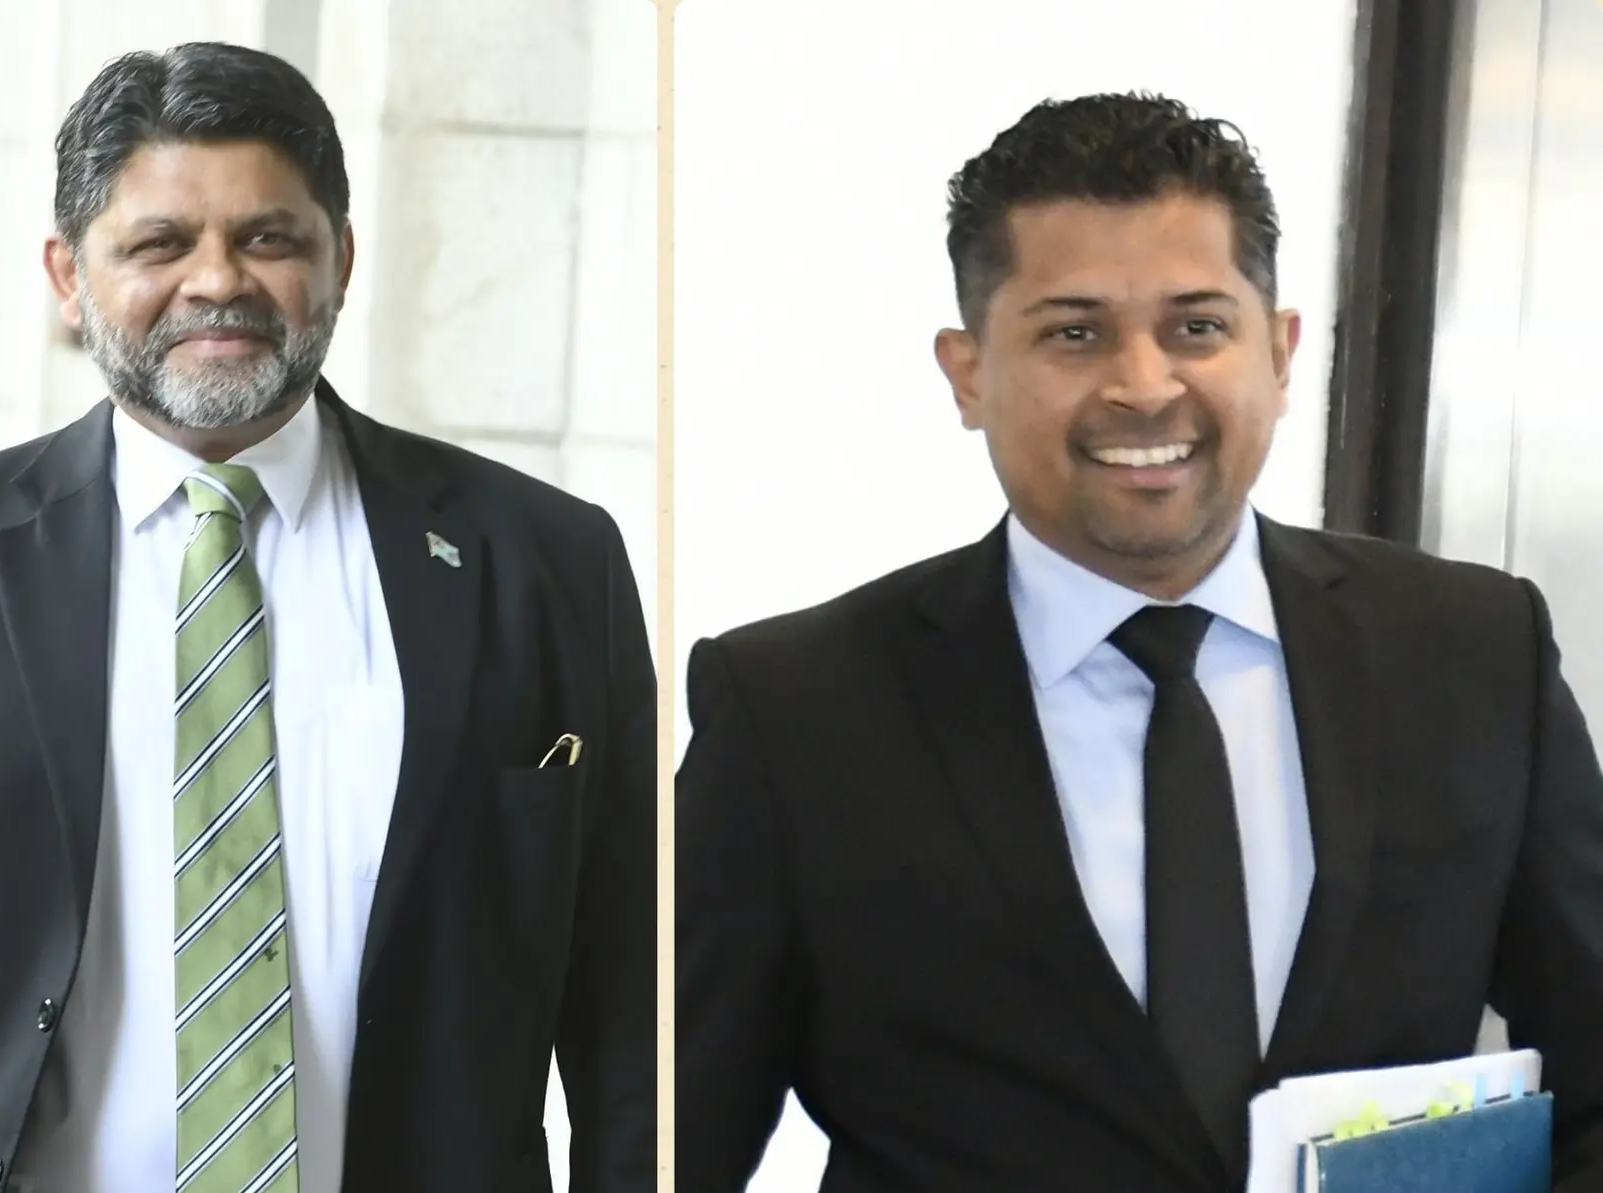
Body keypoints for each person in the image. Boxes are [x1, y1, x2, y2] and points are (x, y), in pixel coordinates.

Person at [0, 42, 654, 1193]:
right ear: (67, 277)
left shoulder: (545, 560)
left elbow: (634, 1018)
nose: (217, 282)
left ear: (342, 259)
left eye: (268, 238)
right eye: (158, 243)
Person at [675, 92, 1603, 1191]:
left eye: (1197, 326)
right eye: (1074, 331)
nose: (1145, 384)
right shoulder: (796, 709)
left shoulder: (1472, 651)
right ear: (968, 372)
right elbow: (674, 1138)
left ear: (1283, 350)